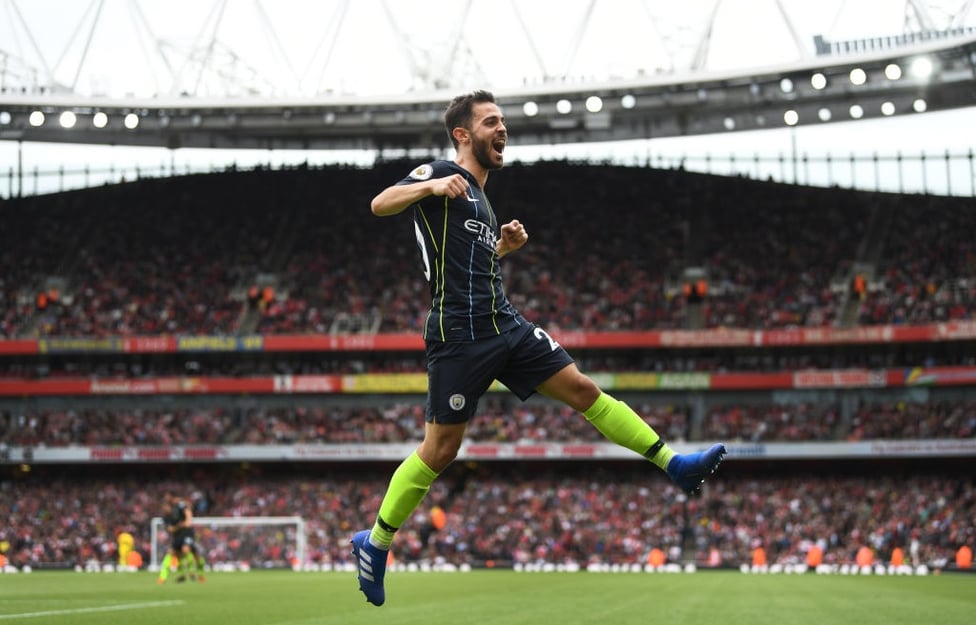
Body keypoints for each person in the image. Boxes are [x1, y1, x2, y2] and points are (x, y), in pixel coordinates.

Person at [351, 89, 726, 607]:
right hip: (459, 333)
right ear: (463, 135)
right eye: (489, 122)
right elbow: (378, 204)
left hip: (503, 323)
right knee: (440, 450)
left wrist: (501, 248)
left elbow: (470, 265)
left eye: (502, 121)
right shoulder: (439, 170)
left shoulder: (482, 199)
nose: (501, 129)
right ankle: (376, 542)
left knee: (582, 387)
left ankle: (674, 464)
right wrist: (432, 185)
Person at [157, 492, 206, 584]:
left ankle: (196, 573)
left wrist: (188, 519)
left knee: (188, 551)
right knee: (172, 553)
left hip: (187, 533)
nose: (165, 508)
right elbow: (170, 529)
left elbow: (188, 508)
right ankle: (163, 577)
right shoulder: (166, 517)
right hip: (178, 535)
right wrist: (180, 525)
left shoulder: (178, 507)